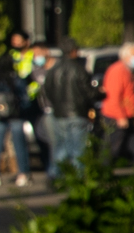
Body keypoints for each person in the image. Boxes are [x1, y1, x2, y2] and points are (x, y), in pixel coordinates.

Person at [0, 39, 37, 188]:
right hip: (16, 115)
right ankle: (23, 173)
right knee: (20, 145)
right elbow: (24, 95)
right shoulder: (15, 78)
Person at [36, 40, 95, 178]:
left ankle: (55, 176)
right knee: (78, 149)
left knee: (60, 148)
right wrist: (100, 93)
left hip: (58, 114)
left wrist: (56, 105)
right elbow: (89, 92)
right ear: (74, 51)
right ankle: (79, 179)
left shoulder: (53, 70)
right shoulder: (79, 69)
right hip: (77, 113)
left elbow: (47, 92)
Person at [100, 38, 134, 169]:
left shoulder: (126, 71)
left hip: (127, 116)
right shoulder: (117, 71)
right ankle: (102, 175)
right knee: (112, 149)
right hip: (116, 117)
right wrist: (120, 116)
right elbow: (113, 96)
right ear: (126, 56)